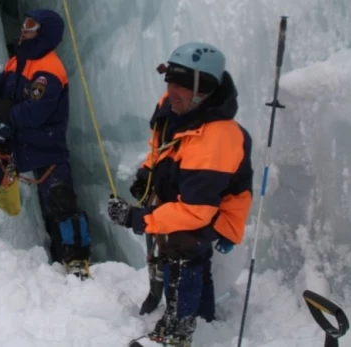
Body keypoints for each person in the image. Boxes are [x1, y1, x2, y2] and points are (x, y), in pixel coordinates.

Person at [107, 42, 253, 345]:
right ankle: (202, 314)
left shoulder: (218, 138)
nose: (172, 89)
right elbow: (162, 148)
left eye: (183, 84)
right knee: (179, 244)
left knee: (182, 244)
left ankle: (177, 331)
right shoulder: (175, 106)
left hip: (215, 211)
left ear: (205, 89)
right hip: (187, 194)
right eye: (170, 79)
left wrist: (138, 218)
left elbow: (196, 212)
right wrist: (148, 173)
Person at [0, 9, 92, 279]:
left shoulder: (50, 71)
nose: (24, 28)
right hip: (15, 140)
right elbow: (2, 93)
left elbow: (33, 114)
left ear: (44, 32)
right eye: (24, 23)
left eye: (31, 25)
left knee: (61, 202)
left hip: (46, 146)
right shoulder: (18, 61)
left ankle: (78, 262)